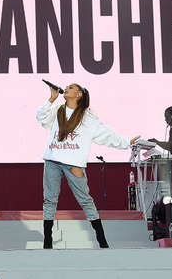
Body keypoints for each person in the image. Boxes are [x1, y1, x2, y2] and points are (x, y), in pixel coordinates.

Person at [37, 83, 137, 249]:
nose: (66, 88)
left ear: (79, 94)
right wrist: (51, 99)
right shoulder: (57, 110)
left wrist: (125, 142)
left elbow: (105, 133)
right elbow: (41, 117)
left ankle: (102, 241)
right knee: (49, 200)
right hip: (52, 160)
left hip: (74, 163)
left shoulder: (87, 116)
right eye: (66, 87)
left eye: (71, 87)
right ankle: (47, 242)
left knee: (85, 200)